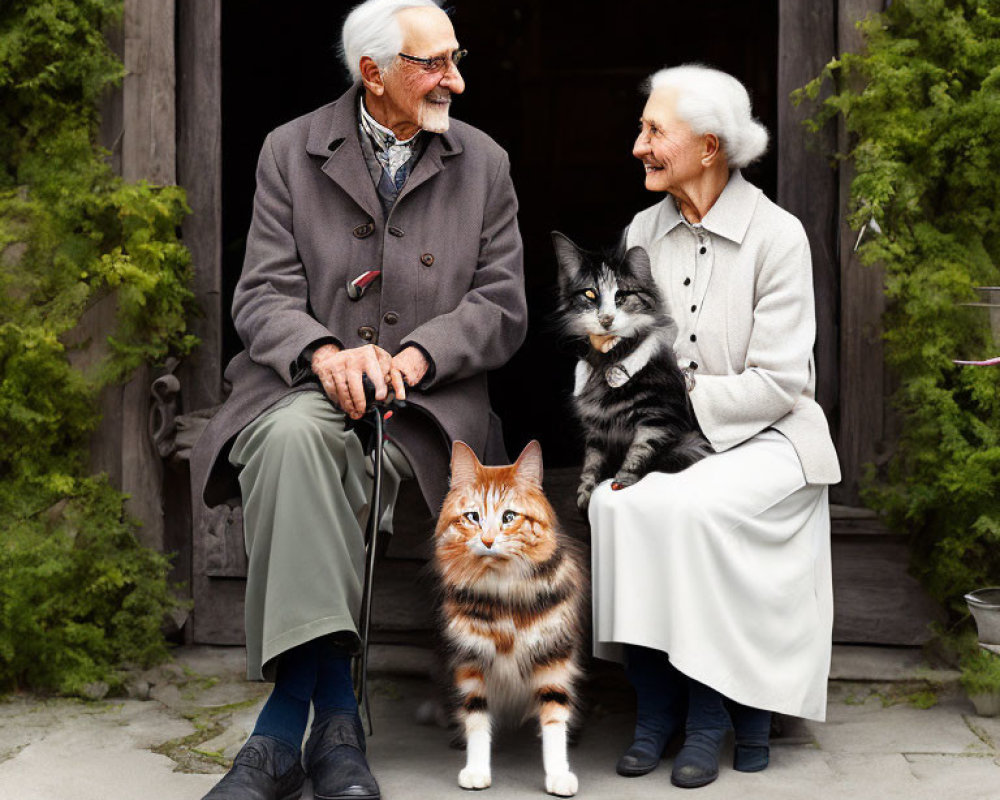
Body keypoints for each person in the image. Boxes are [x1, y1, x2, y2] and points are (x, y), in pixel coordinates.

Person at [190, 1, 526, 798]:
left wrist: (416, 355)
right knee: (294, 439)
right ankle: (335, 726)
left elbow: (502, 305)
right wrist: (325, 352)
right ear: (373, 74)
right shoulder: (288, 151)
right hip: (309, 385)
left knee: (307, 452)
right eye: (434, 63)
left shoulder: (486, 164)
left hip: (428, 407)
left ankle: (282, 729)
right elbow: (263, 292)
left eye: (456, 56)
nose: (457, 78)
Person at [588, 64, 841, 789]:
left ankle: (710, 714)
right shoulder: (645, 228)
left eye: (654, 131)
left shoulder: (777, 235)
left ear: (708, 146)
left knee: (691, 508)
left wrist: (677, 401)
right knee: (614, 502)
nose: (639, 144)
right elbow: (624, 348)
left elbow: (779, 382)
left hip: (773, 439)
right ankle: (656, 705)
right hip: (675, 433)